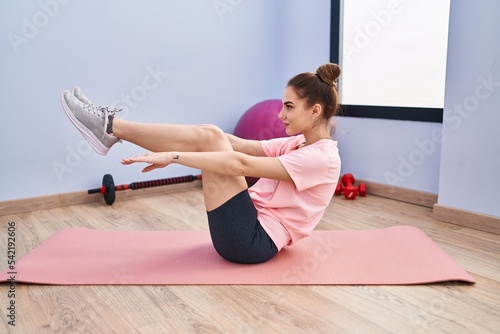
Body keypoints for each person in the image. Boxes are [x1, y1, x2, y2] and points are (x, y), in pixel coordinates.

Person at [60, 63, 342, 264]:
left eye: (289, 106)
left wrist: (172, 157)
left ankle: (110, 127)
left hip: (250, 243)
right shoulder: (299, 144)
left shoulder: (321, 159)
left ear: (315, 111)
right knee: (212, 133)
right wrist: (205, 136)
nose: (281, 114)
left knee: (211, 138)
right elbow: (242, 145)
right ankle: (111, 127)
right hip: (246, 227)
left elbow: (240, 165)